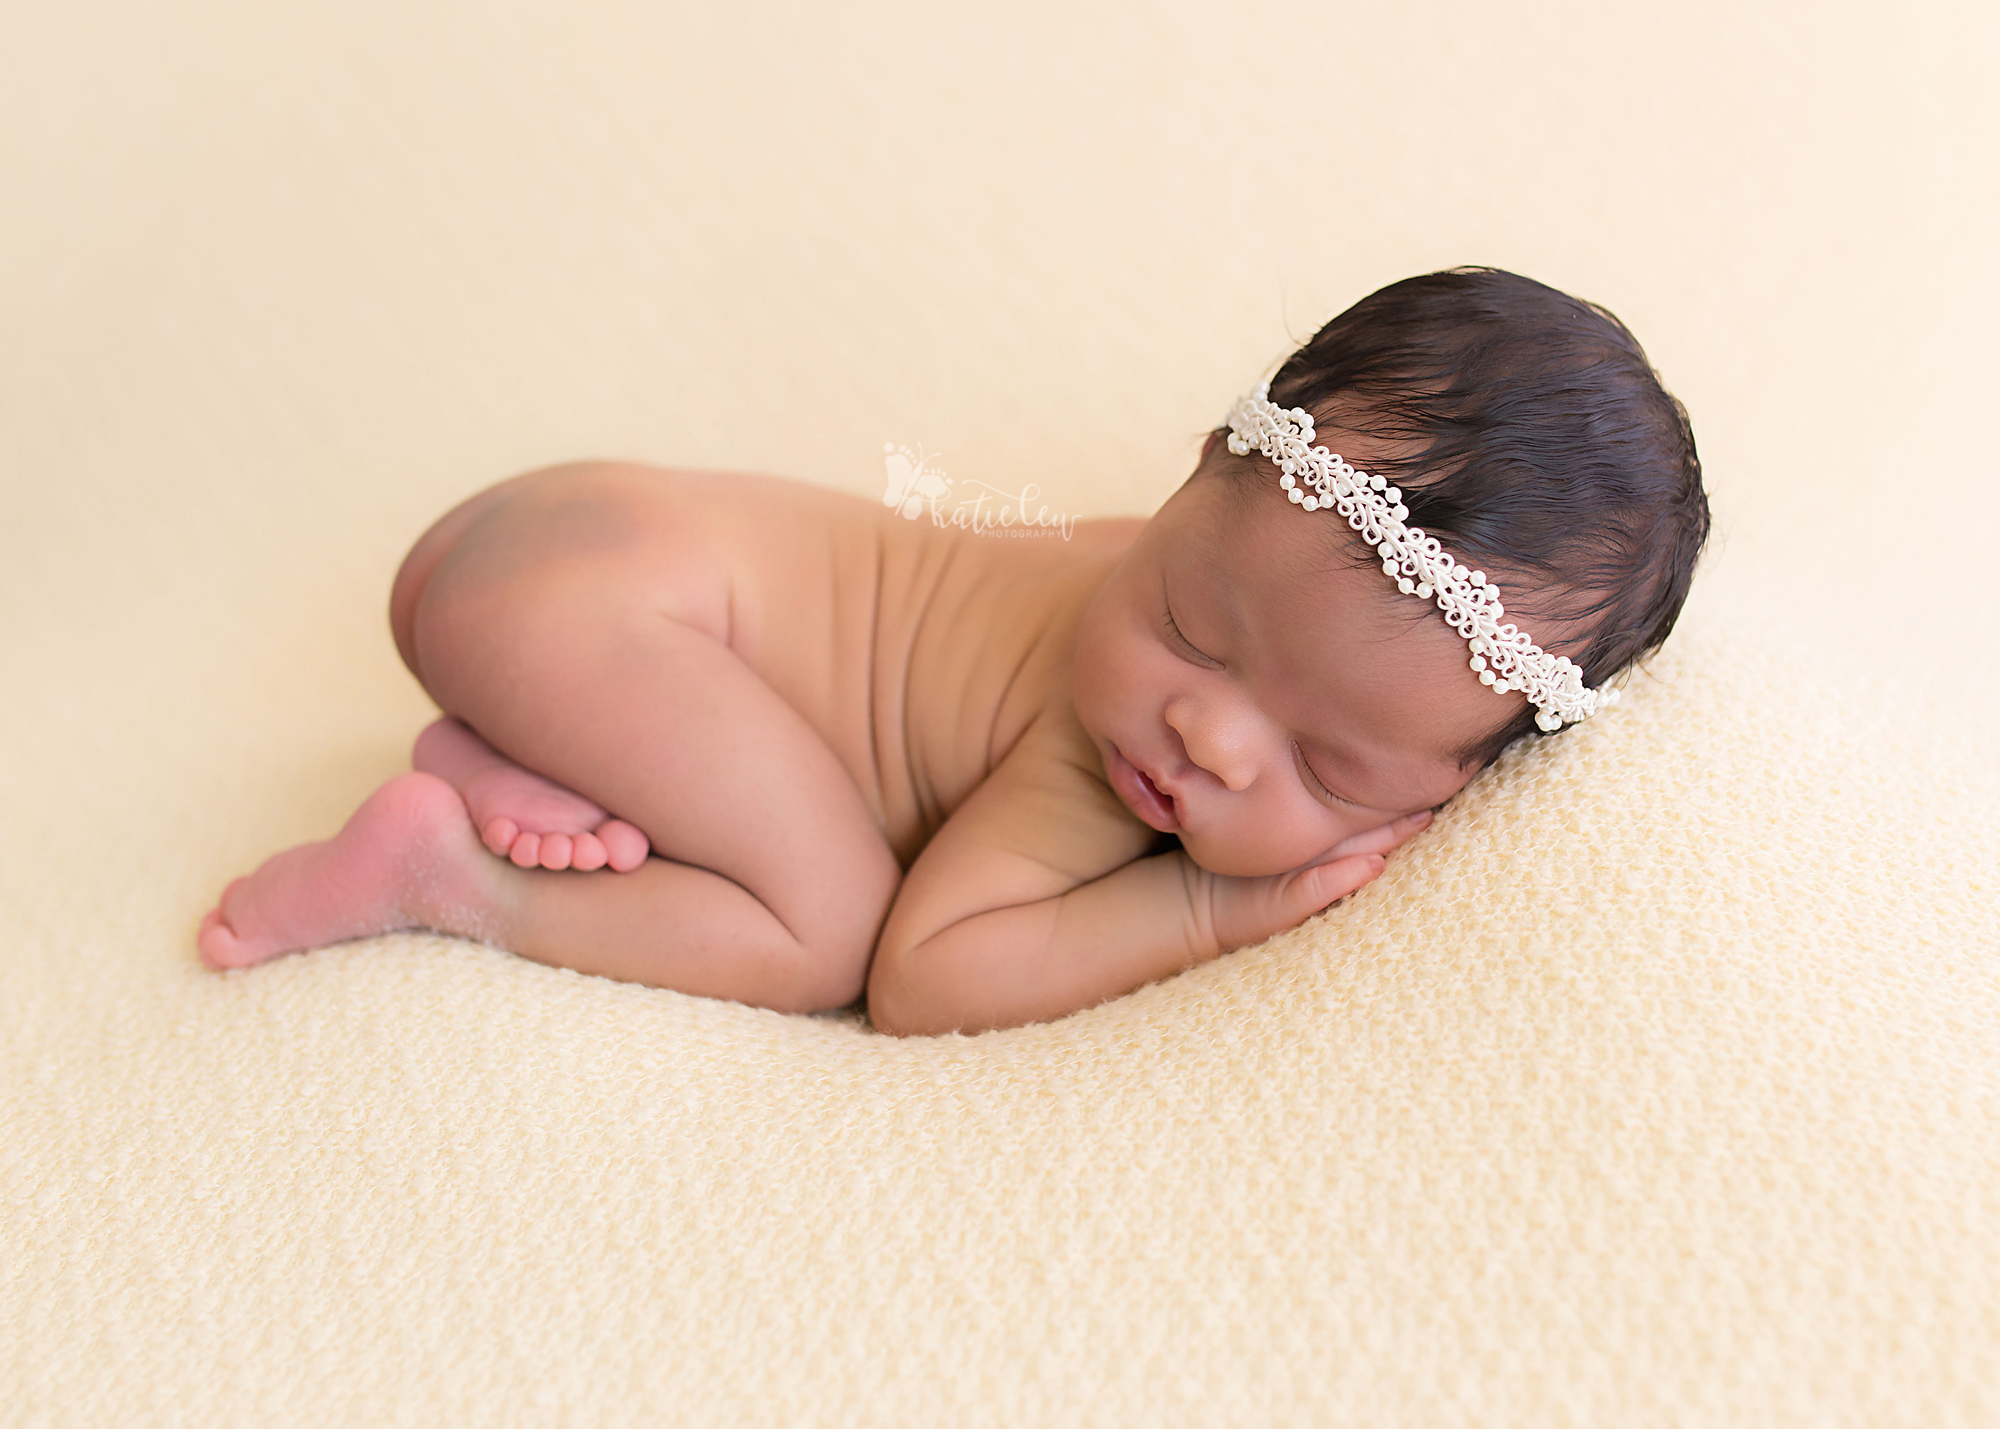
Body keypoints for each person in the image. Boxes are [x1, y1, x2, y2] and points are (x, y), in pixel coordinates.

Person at [196, 267, 1709, 1036]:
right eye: (1189, 623)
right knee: (827, 929)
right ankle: (447, 872)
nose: (1207, 738)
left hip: (566, 549)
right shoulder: (1089, 755)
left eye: (1325, 764)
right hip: (604, 606)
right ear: (1194, 482)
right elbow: (923, 976)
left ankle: (540, 747)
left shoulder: (1212, 579)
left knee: (774, 791)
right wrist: (1195, 914)